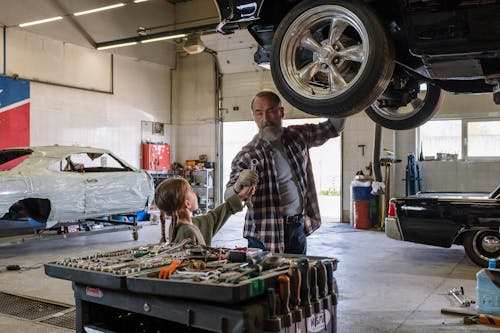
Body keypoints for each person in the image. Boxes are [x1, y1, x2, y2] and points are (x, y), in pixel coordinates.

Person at [225, 90, 346, 254]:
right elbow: (228, 196)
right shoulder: (247, 155)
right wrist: (238, 184)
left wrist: (344, 94)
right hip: (263, 234)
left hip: (297, 228)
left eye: (271, 111)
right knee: (266, 279)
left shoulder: (298, 136)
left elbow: (333, 127)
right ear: (254, 116)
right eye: (259, 113)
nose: (265, 119)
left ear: (281, 112)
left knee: (297, 277)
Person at [155, 177, 256, 246]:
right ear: (187, 204)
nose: (195, 193)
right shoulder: (187, 232)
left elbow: (213, 217)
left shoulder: (180, 225)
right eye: (191, 191)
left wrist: (240, 196)